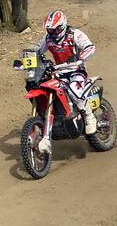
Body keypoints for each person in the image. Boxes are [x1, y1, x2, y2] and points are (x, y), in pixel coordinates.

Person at [35, 10, 97, 152]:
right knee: (45, 89)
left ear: (62, 26)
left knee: (75, 90)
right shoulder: (48, 39)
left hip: (76, 71)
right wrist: (27, 59)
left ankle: (89, 117)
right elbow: (37, 51)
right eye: (49, 29)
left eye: (54, 29)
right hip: (58, 73)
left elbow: (90, 47)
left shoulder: (75, 34)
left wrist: (79, 57)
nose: (52, 31)